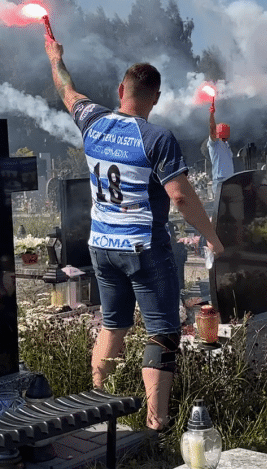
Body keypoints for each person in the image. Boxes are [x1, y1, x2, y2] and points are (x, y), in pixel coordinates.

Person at [45, 35, 224, 432]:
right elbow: (179, 196)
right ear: (155, 98)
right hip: (143, 246)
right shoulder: (157, 138)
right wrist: (212, 237)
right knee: (163, 333)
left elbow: (66, 89)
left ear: (120, 91)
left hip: (101, 246)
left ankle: (97, 405)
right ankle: (156, 425)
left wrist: (56, 57)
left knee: (113, 323)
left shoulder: (92, 119)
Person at [207, 102, 235, 197]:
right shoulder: (214, 144)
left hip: (230, 181)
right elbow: (212, 129)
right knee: (222, 209)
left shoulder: (226, 145)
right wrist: (212, 114)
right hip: (220, 182)